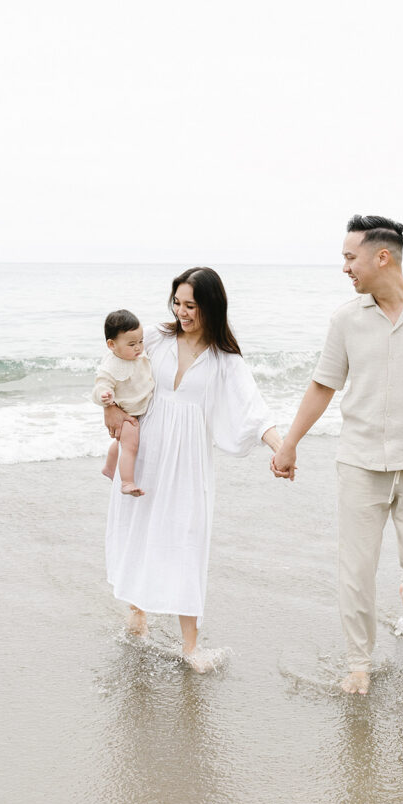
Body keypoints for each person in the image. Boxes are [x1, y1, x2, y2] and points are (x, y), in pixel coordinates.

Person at [272, 216, 403, 695]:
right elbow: (323, 385)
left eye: (349, 257)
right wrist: (290, 441)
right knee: (356, 569)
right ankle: (358, 662)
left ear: (382, 257)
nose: (344, 267)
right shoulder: (346, 318)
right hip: (360, 461)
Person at [102, 267, 283, 672]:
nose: (182, 312)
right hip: (146, 450)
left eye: (191, 306)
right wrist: (109, 406)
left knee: (187, 541)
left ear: (211, 308)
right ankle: (138, 610)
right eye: (178, 303)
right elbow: (110, 361)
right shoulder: (156, 337)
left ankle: (190, 647)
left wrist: (280, 447)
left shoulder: (225, 359)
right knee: (140, 526)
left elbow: (253, 408)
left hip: (188, 463)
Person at [93, 309, 155, 497]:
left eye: (141, 342)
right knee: (130, 445)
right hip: (128, 414)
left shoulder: (136, 355)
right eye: (132, 344)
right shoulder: (112, 365)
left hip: (140, 409)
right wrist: (105, 397)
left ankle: (109, 467)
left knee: (121, 443)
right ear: (112, 345)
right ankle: (127, 482)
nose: (138, 348)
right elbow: (100, 384)